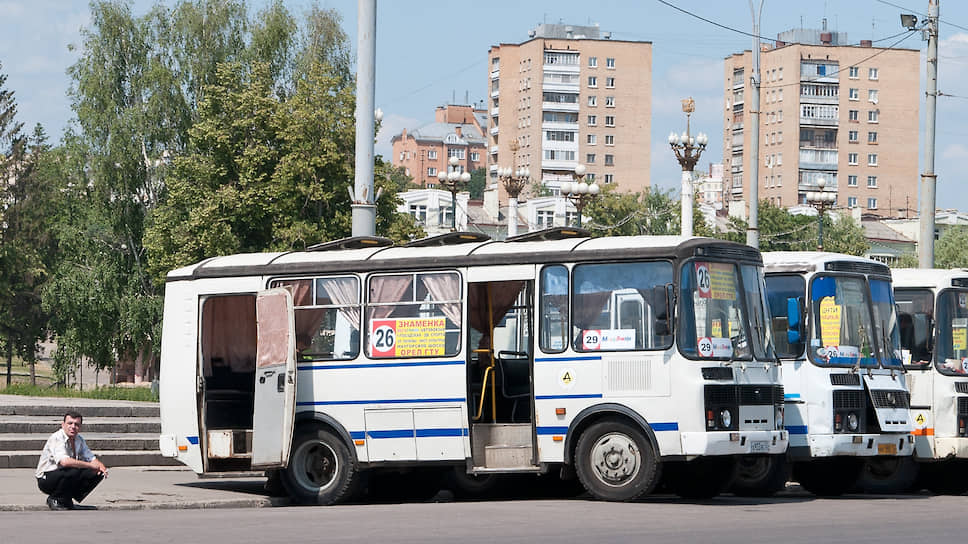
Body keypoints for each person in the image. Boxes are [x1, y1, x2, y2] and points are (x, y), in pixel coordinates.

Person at [35, 411, 108, 510]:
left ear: (80, 427)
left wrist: (101, 467)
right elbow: (64, 462)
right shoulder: (57, 438)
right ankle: (54, 499)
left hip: (64, 474)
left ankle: (66, 499)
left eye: (76, 424)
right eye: (70, 423)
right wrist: (91, 466)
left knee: (97, 473)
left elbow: (91, 458)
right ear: (63, 424)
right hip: (46, 478)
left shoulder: (79, 440)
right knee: (74, 469)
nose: (73, 427)